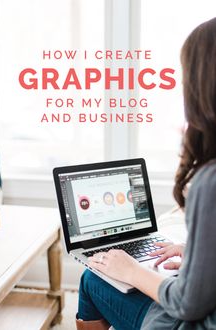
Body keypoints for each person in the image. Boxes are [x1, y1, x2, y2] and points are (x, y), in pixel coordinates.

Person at [76, 17, 216, 330]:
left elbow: (187, 303)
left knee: (91, 277)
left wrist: (132, 270)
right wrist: (196, 256)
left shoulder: (211, 181)